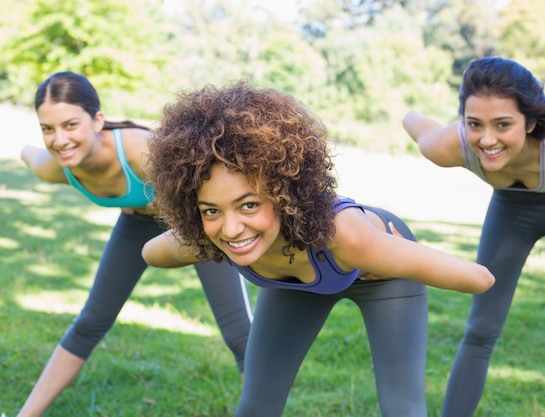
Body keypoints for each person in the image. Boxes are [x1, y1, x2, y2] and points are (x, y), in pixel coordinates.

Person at [140, 81, 495, 417]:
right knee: (256, 404)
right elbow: (151, 254)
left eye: (249, 205)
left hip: (380, 272)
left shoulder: (350, 237)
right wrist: (204, 238)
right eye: (211, 210)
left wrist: (402, 257)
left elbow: (479, 279)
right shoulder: (212, 234)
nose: (232, 228)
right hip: (294, 278)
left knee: (403, 408)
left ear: (283, 194)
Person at [17, 72, 253, 417]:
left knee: (239, 334)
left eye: (70, 125)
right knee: (90, 321)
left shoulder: (142, 151)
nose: (59, 139)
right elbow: (30, 154)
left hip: (193, 221)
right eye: (47, 129)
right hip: (137, 222)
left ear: (97, 120)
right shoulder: (54, 167)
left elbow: (209, 180)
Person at [402, 56, 545, 417]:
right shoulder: (451, 146)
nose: (487, 139)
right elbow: (417, 125)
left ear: (531, 121)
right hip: (512, 210)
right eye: (474, 123)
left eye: (503, 124)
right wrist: (408, 112)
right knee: (480, 328)